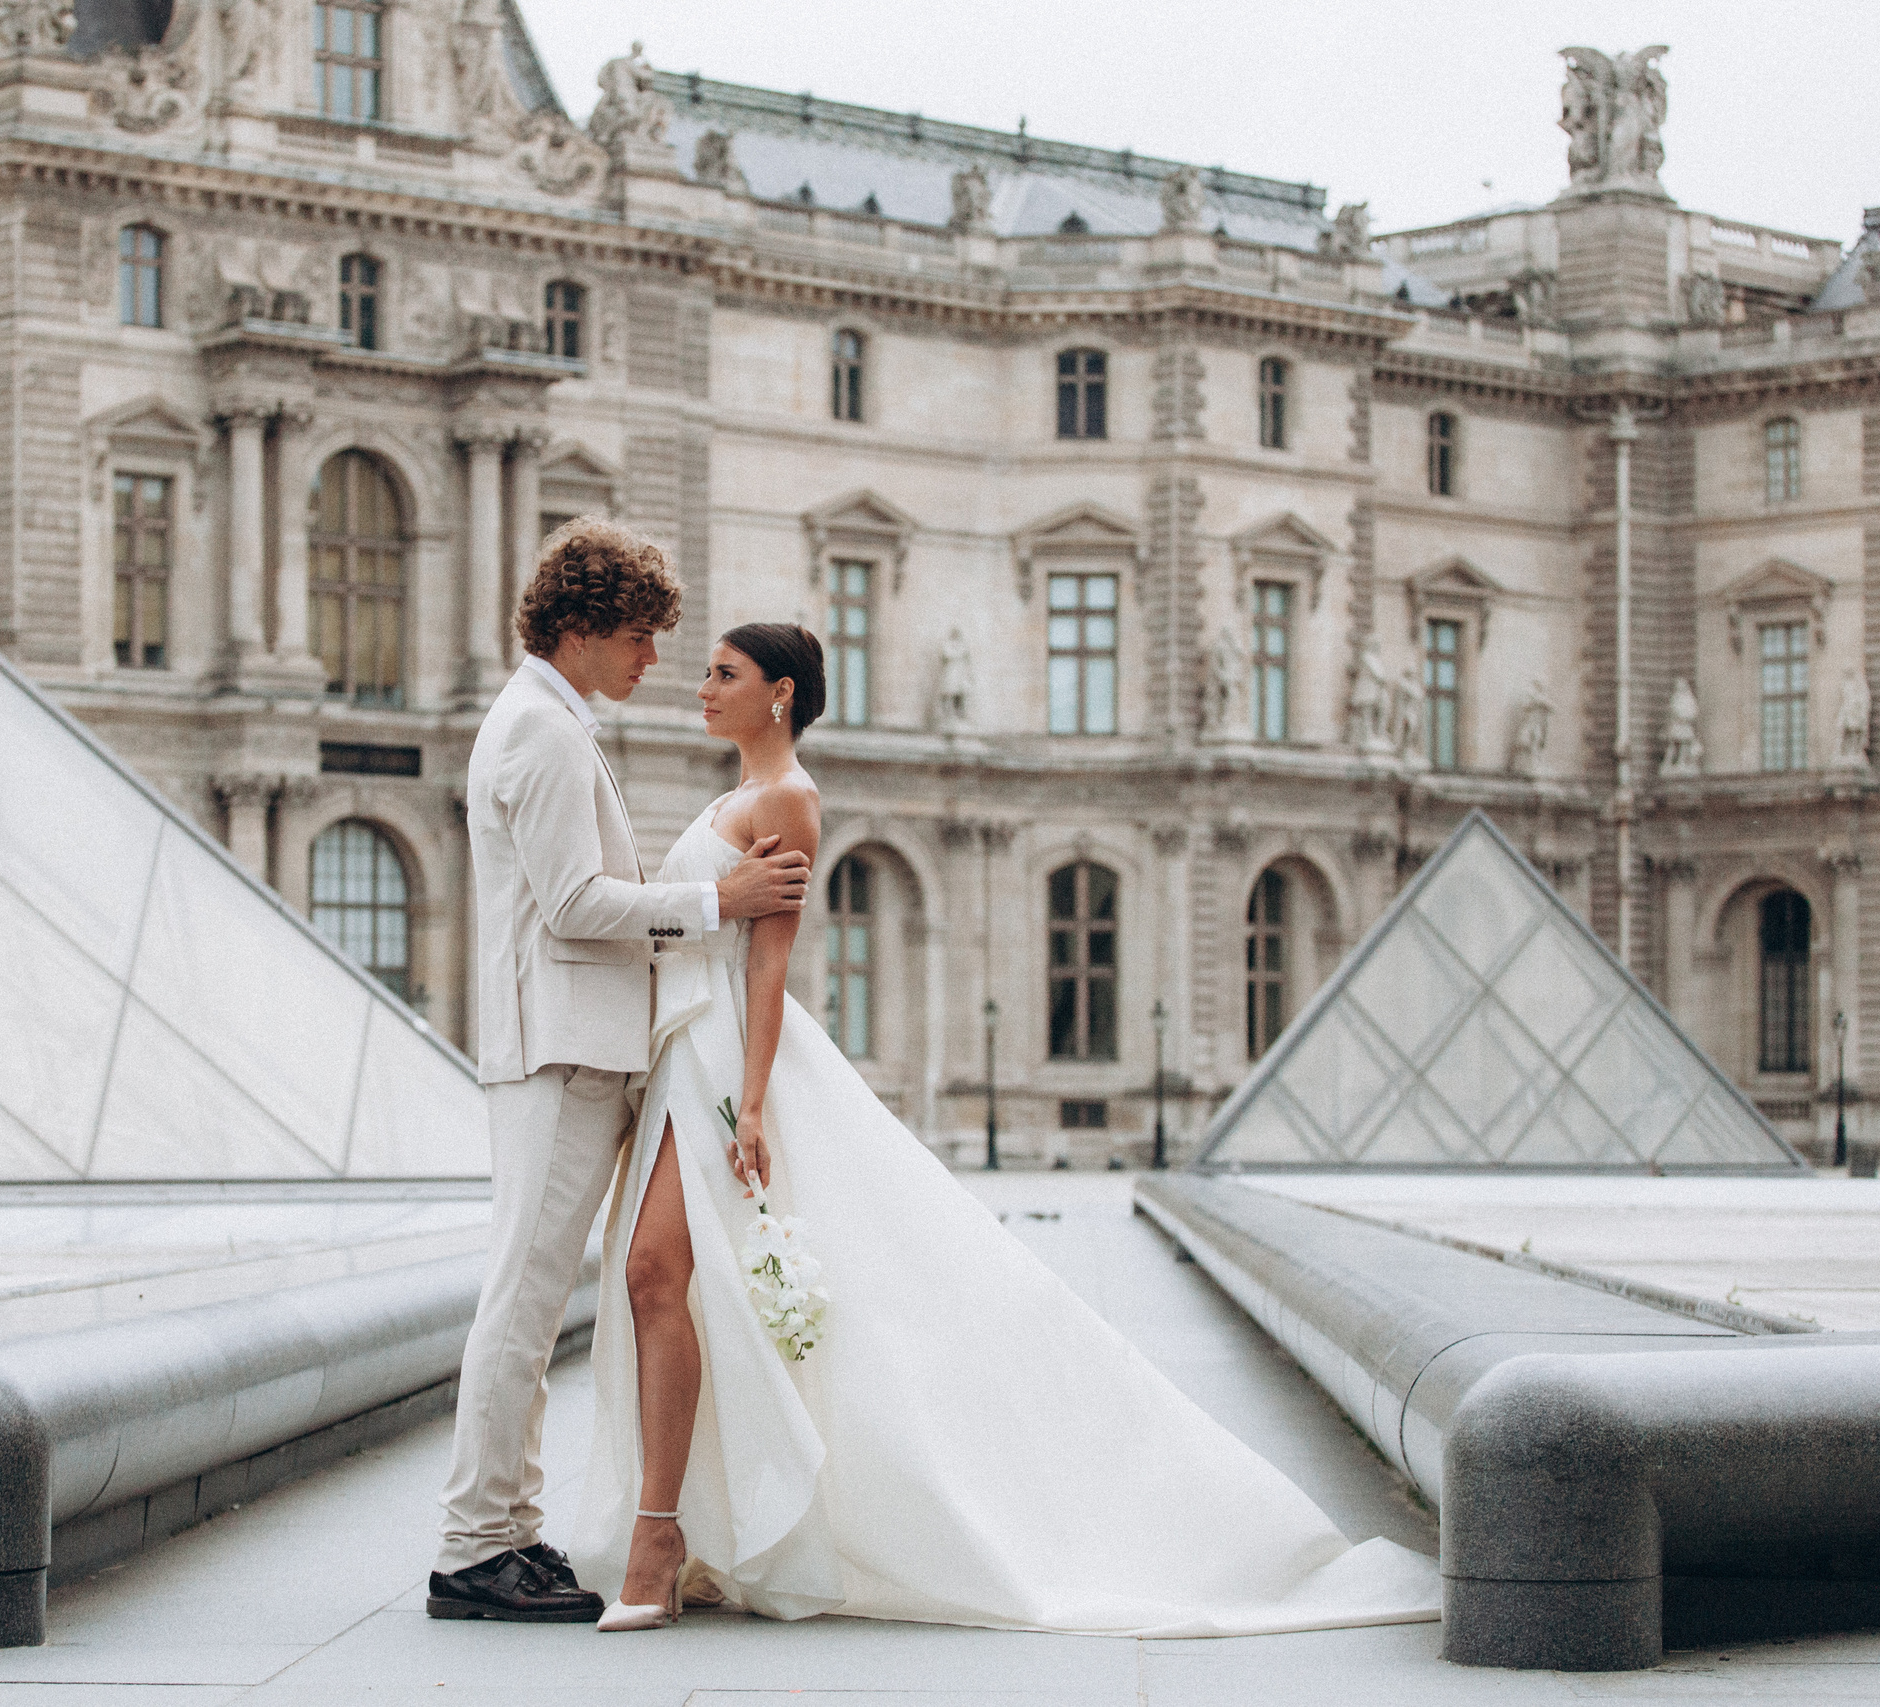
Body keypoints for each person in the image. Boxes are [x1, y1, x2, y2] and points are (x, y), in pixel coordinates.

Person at [575, 623, 1443, 1636]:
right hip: (688, 1051)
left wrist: (755, 1099)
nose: (701, 687)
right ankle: (683, 1529)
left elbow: (769, 964)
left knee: (658, 1273)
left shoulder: (789, 798)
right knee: (668, 1282)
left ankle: (661, 1538)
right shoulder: (737, 793)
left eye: (723, 674)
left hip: (724, 1059)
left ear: (780, 695)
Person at [429, 519, 812, 1622]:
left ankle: (507, 1530)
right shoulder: (543, 733)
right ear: (583, 626)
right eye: (639, 636)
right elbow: (573, 904)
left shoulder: (549, 722)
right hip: (559, 1050)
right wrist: (718, 903)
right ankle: (474, 1546)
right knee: (522, 1305)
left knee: (531, 1303)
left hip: (574, 1047)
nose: (653, 661)